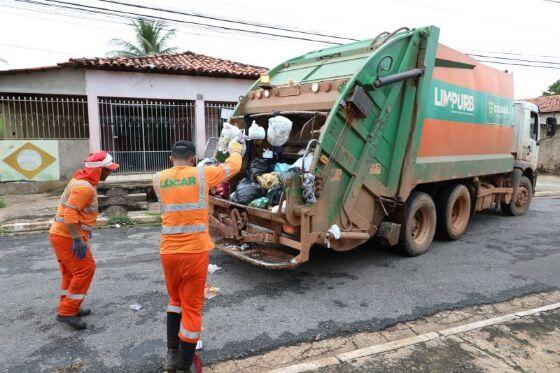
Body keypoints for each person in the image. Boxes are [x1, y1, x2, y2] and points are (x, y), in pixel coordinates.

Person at [155, 139, 243, 373]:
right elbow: (233, 167)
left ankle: (171, 357)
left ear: (171, 158)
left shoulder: (158, 178)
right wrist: (235, 148)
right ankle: (185, 367)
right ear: (193, 158)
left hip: (169, 252)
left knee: (175, 302)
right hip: (194, 252)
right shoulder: (203, 175)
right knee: (192, 309)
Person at [49, 151, 119, 330]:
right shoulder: (84, 188)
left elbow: (77, 213)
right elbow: (70, 213)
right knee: (86, 269)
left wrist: (84, 231)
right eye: (107, 170)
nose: (109, 173)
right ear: (99, 170)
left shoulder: (81, 181)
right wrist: (77, 239)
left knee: (71, 273)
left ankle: (69, 306)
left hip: (61, 234)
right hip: (67, 236)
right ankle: (67, 312)